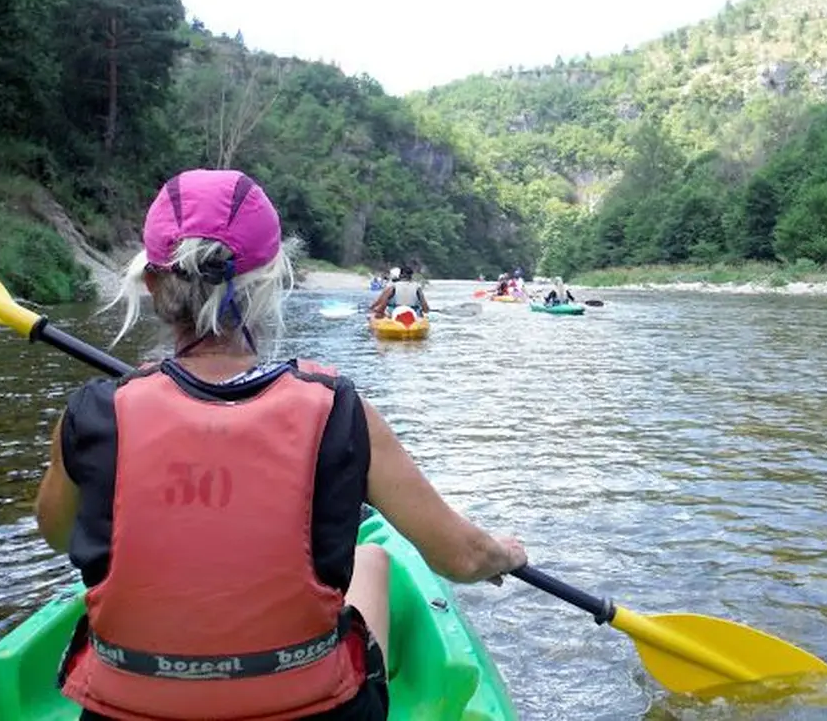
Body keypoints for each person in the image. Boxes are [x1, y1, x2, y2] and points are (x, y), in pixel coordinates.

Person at [34, 169, 526, 721]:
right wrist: (504, 553)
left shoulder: (91, 415)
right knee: (372, 557)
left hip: (123, 712)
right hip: (315, 712)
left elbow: (57, 533)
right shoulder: (341, 409)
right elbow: (462, 557)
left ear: (151, 284)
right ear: (272, 282)